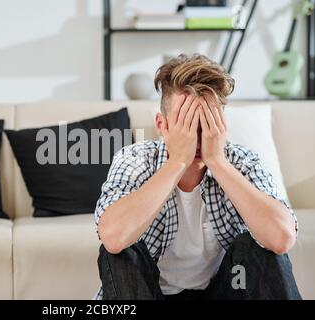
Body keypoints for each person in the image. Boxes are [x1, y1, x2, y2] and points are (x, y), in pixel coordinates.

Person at [94, 53, 301, 300]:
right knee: (120, 254)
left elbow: (281, 238)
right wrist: (177, 162)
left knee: (261, 248)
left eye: (206, 123)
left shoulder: (242, 161)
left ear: (221, 125)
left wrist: (218, 163)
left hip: (225, 291)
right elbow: (113, 238)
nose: (196, 136)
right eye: (186, 124)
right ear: (162, 125)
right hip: (151, 294)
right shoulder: (136, 159)